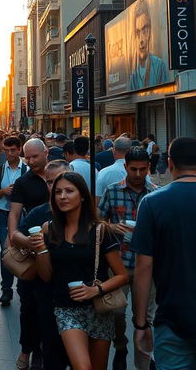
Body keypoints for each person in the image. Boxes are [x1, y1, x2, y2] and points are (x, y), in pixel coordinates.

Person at [32, 172, 128, 370]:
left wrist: (95, 290)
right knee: (82, 367)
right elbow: (46, 276)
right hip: (66, 309)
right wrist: (40, 249)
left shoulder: (101, 231)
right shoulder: (49, 230)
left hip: (99, 309)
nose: (62, 196)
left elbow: (123, 275)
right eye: (58, 192)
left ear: (82, 195)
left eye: (69, 191)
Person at [131, 137, 196, 369]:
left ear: (170, 164)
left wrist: (140, 324)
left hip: (172, 317)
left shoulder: (152, 203)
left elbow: (143, 267)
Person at [98, 147, 155, 370]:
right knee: (117, 313)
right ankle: (120, 347)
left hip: (146, 267)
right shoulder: (112, 191)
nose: (138, 174)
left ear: (148, 168)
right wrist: (112, 227)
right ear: (125, 167)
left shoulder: (155, 193)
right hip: (118, 264)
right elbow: (96, 222)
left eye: (142, 169)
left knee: (146, 318)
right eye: (133, 169)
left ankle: (144, 361)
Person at [12, 160, 71, 370]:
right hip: (41, 284)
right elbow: (16, 234)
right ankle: (29, 350)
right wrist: (30, 242)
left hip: (72, 288)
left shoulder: (84, 215)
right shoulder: (40, 212)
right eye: (49, 182)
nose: (54, 187)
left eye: (59, 181)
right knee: (33, 316)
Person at [8, 138, 50, 370]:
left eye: (35, 156)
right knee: (28, 303)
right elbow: (14, 213)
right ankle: (27, 349)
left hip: (58, 253)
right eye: (28, 157)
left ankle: (46, 349)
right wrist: (13, 236)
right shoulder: (24, 182)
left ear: (46, 153)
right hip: (32, 249)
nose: (31, 161)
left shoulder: (64, 175)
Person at [0, 135, 28, 307]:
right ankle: (6, 289)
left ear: (19, 150)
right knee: (6, 250)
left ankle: (23, 286)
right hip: (3, 214)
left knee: (26, 250)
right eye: (7, 150)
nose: (10, 154)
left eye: (13, 150)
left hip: (24, 215)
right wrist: (3, 191)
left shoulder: (26, 169)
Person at [128, 0, 169, 90]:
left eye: (145, 29)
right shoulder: (133, 76)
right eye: (137, 32)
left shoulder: (159, 66)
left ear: (150, 31)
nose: (141, 39)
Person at [95, 137, 133, 201]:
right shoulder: (140, 172)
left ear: (113, 150)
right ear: (130, 150)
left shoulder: (103, 173)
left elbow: (96, 200)